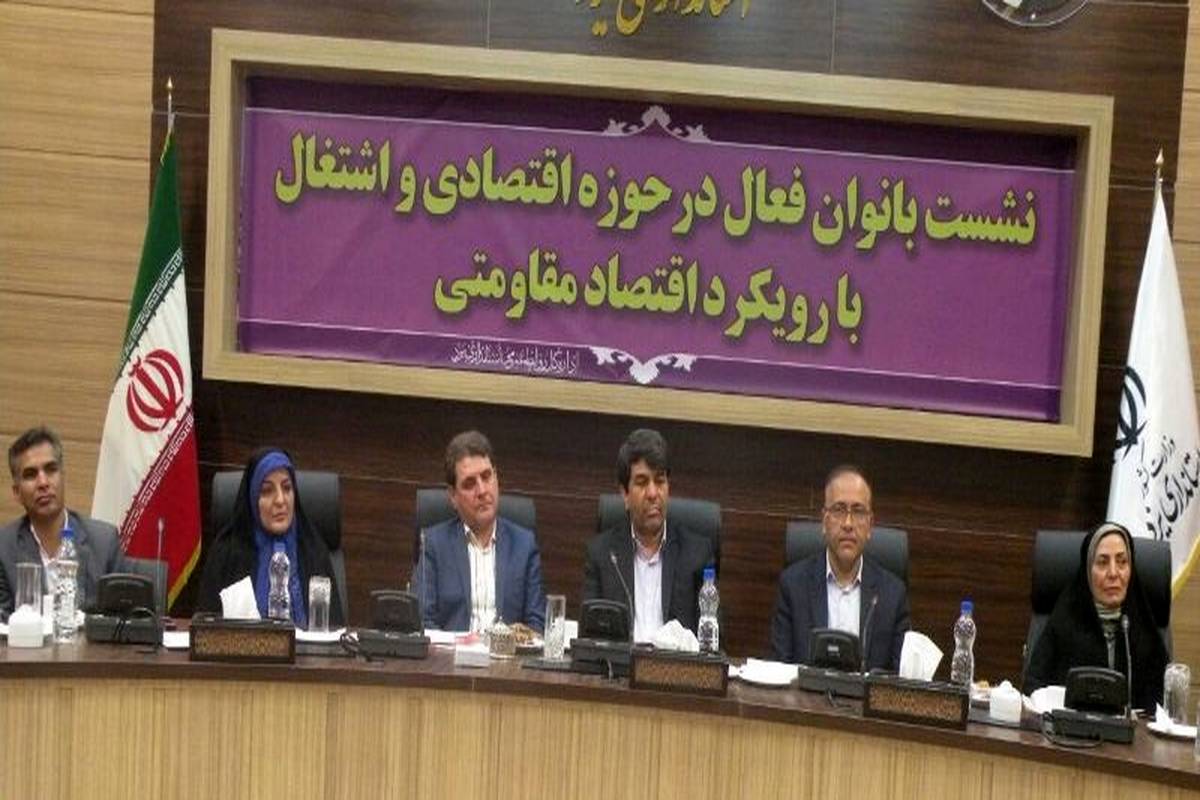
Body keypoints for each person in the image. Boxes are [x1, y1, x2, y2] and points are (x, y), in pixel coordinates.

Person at [769, 465, 909, 670]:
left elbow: (898, 679)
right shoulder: (793, 585)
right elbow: (779, 668)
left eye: (858, 511)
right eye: (839, 510)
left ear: (870, 526)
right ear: (824, 521)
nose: (848, 524)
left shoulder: (892, 595)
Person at [582, 428, 715, 641]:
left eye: (660, 481)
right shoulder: (602, 554)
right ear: (625, 494)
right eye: (642, 482)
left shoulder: (697, 554)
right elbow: (589, 637)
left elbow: (712, 641)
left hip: (675, 663)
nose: (653, 493)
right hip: (622, 663)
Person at [1024, 522, 1168, 711]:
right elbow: (1032, 689)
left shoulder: (1144, 631)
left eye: (1122, 562)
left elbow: (1163, 706)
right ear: (1087, 571)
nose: (1113, 573)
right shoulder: (1063, 625)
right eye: (1102, 562)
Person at [413, 431, 545, 631]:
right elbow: (423, 621)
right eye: (469, 484)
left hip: (506, 650)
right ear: (453, 496)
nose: (482, 491)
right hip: (452, 651)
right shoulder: (433, 544)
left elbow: (537, 623)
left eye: (486, 476)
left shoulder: (524, 544)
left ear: (496, 477)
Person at [196, 448, 343, 628]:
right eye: (267, 491)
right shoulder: (226, 553)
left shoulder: (313, 550)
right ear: (252, 499)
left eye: (287, 488)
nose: (280, 500)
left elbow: (336, 631)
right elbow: (204, 630)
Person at [0, 426, 129, 620]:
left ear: (63, 476)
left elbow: (122, 622)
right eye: (31, 474)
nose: (43, 482)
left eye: (51, 470)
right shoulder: (3, 548)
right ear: (17, 492)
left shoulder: (104, 542)